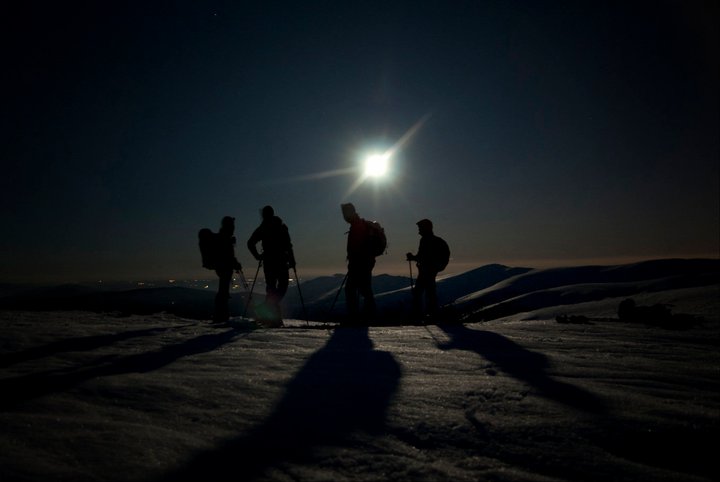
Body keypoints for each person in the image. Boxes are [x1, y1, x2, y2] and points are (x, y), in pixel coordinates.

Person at [247, 206, 296, 325]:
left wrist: (258, 256)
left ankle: (268, 313)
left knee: (272, 289)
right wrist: (292, 260)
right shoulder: (281, 227)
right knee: (280, 287)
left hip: (269, 262)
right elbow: (288, 245)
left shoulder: (263, 228)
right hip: (280, 261)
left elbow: (250, 243)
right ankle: (272, 317)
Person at [406, 218, 450, 322]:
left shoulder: (426, 240)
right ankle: (432, 314)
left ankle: (421, 316)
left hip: (427, 270)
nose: (419, 231)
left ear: (425, 228)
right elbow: (422, 256)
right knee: (429, 291)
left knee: (419, 292)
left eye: (420, 228)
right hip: (431, 269)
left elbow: (422, 256)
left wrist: (412, 257)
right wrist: (414, 258)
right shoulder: (431, 240)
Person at [341, 203, 377, 323]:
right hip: (365, 262)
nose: (344, 216)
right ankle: (368, 316)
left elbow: (358, 247)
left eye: (345, 213)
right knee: (364, 289)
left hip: (360, 263)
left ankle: (356, 317)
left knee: (352, 289)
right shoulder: (358, 224)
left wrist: (354, 262)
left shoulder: (357, 226)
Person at [214, 216, 243, 323]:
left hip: (223, 267)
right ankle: (221, 316)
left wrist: (234, 263)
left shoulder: (224, 236)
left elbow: (228, 255)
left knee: (223, 290)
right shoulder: (225, 237)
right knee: (223, 291)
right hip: (224, 267)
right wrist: (235, 264)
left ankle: (221, 315)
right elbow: (227, 255)